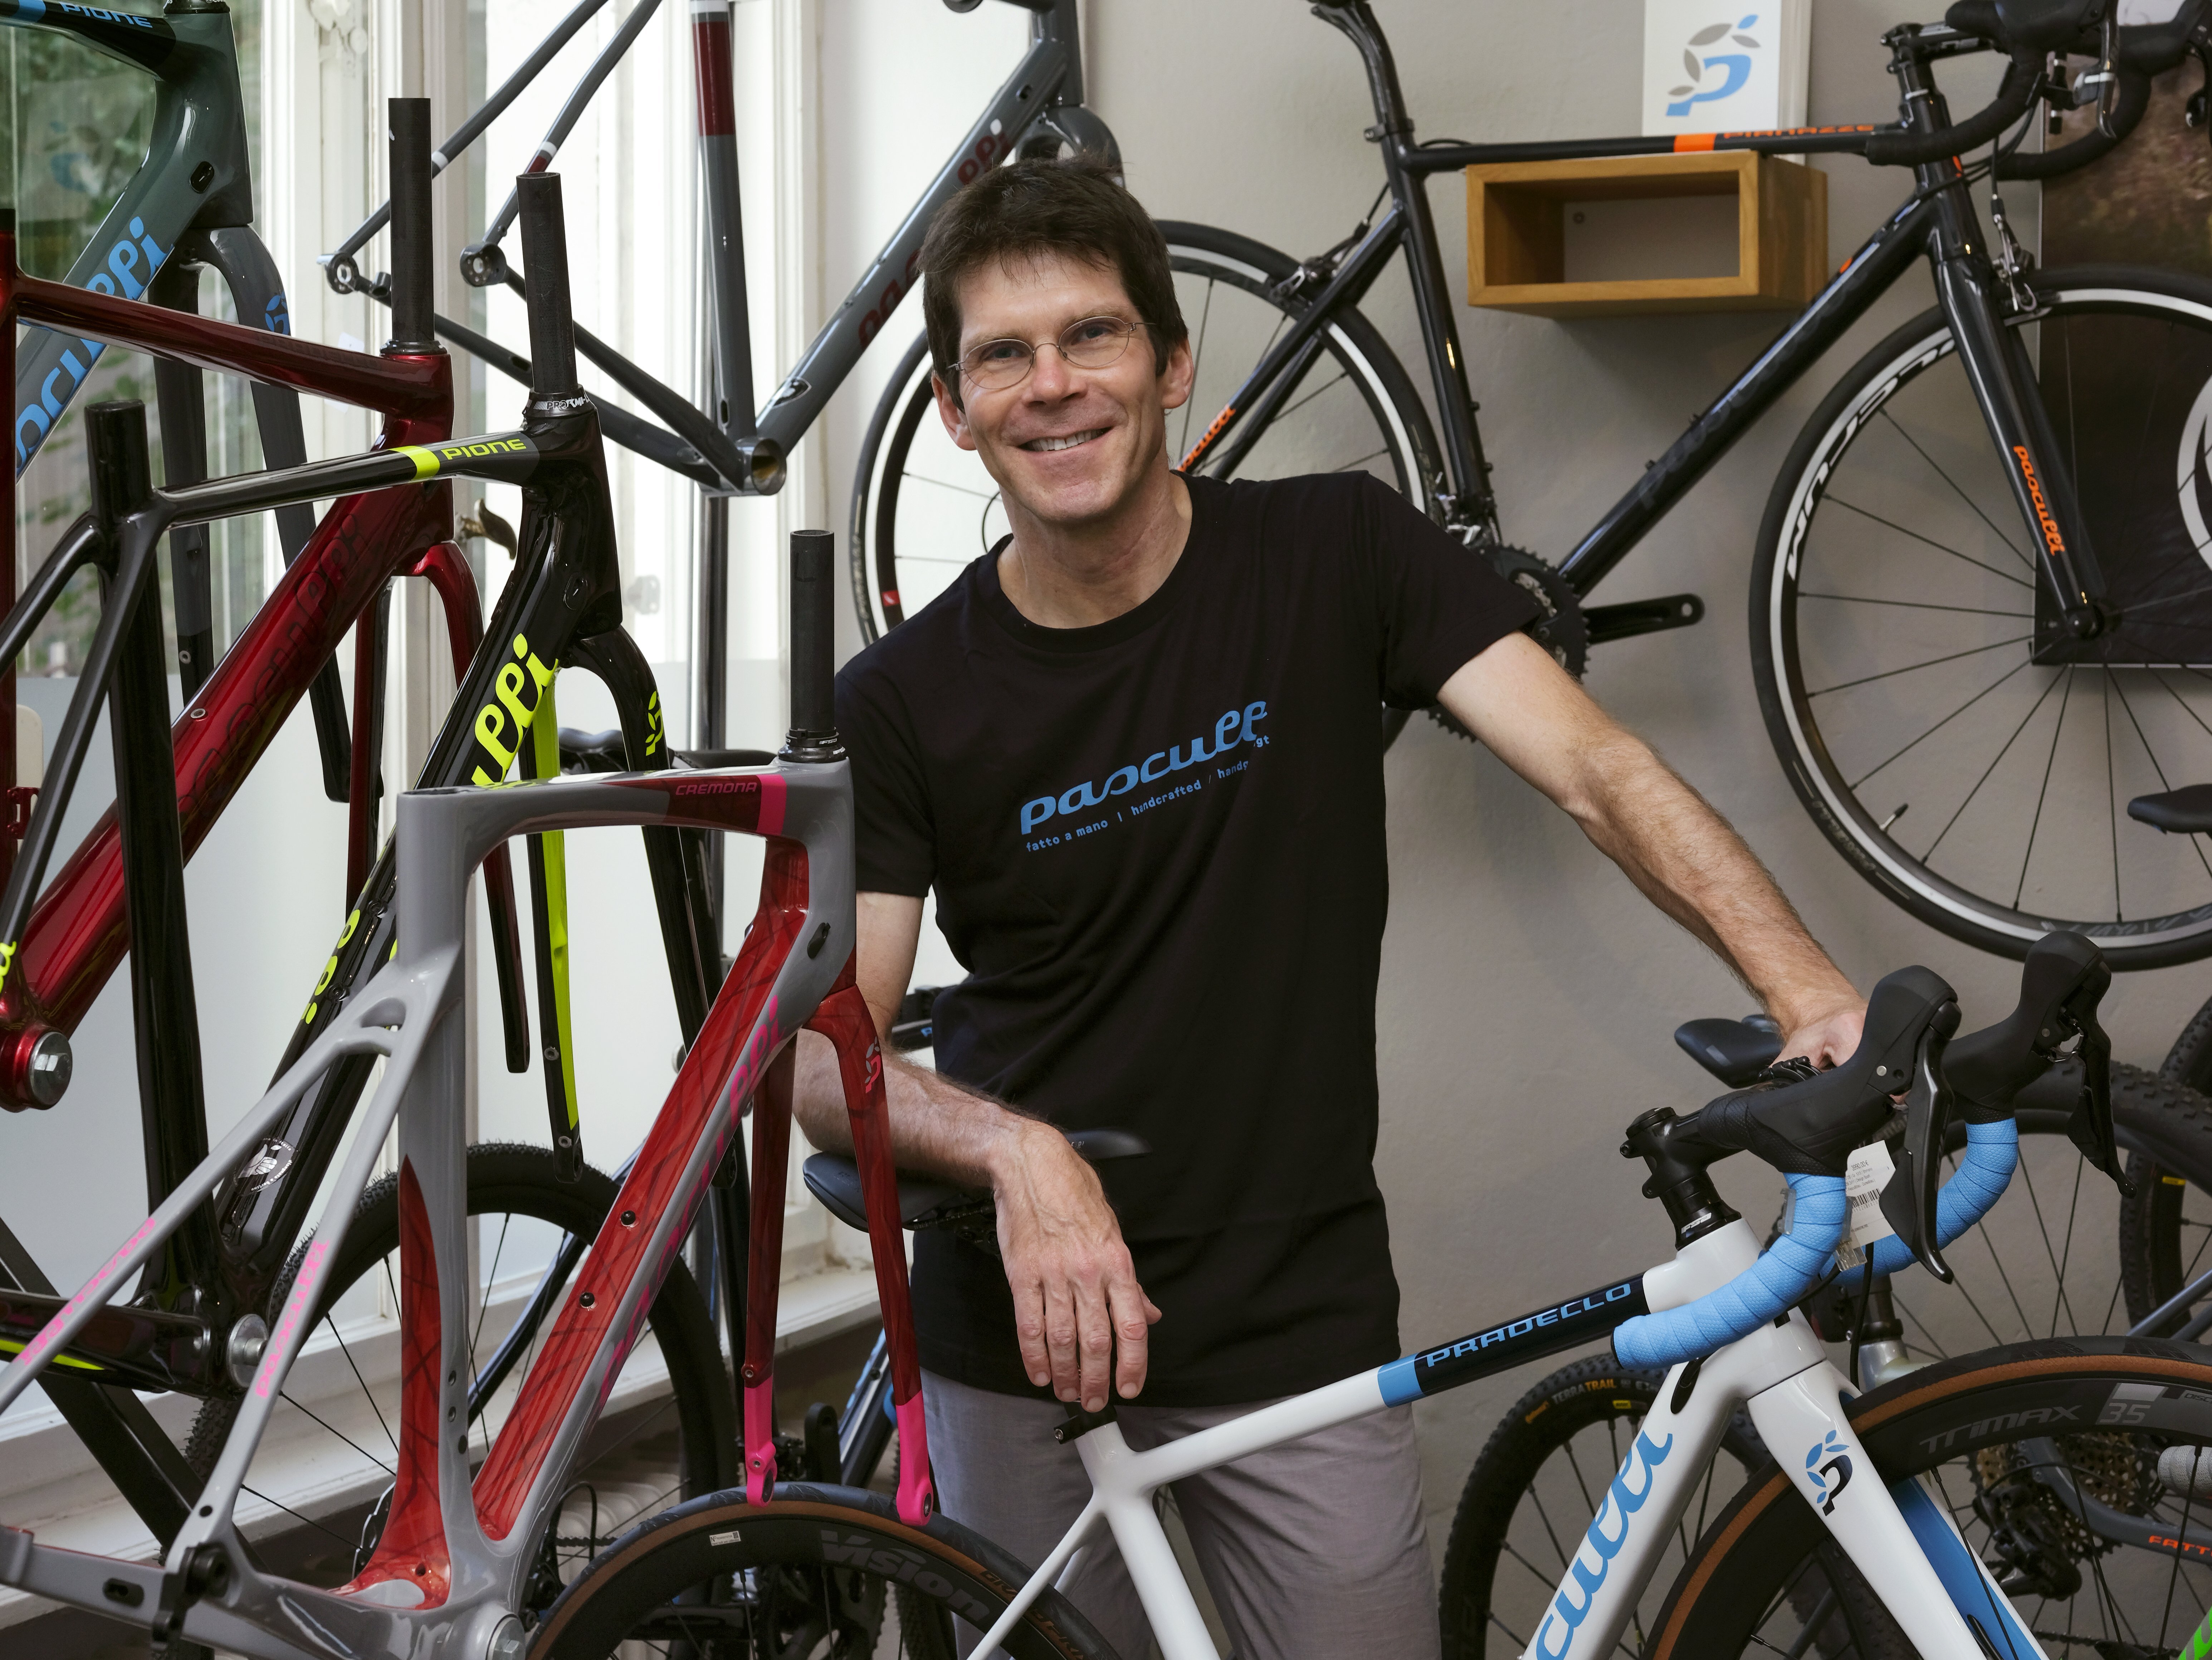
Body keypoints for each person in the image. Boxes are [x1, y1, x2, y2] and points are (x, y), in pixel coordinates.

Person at [792, 157, 1865, 1660]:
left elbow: (1596, 769)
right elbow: (810, 1055)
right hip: (1018, 1338)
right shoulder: (903, 698)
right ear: (956, 410)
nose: (1052, 387)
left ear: (1170, 366)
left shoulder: (1334, 553)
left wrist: (1806, 987)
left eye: (1091, 337)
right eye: (1002, 356)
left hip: (1293, 1329)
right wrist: (1016, 1150)